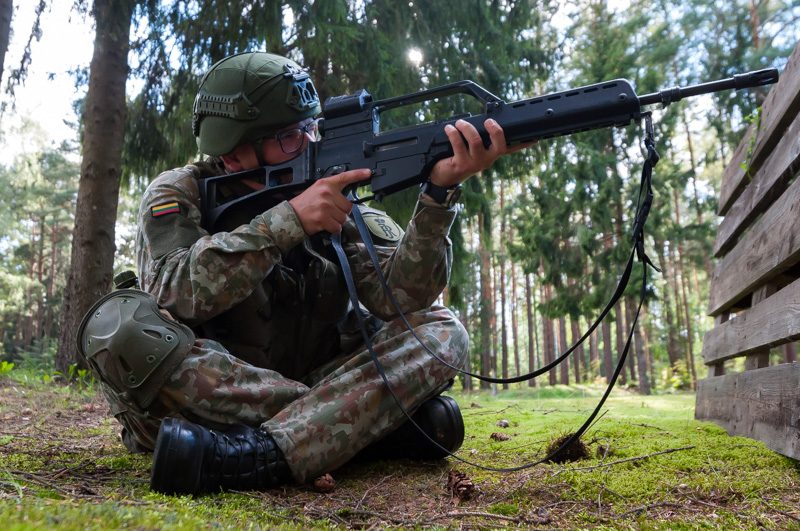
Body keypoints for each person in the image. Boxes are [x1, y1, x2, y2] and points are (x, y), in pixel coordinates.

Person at [77, 51, 521, 496]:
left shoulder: (330, 191)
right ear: (234, 151)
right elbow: (175, 291)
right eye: (290, 136)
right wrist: (287, 222)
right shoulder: (181, 190)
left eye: (311, 127)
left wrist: (439, 195)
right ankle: (358, 428)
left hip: (314, 379)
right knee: (125, 335)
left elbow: (401, 299)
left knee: (443, 331)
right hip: (221, 392)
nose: (309, 143)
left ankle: (255, 455)